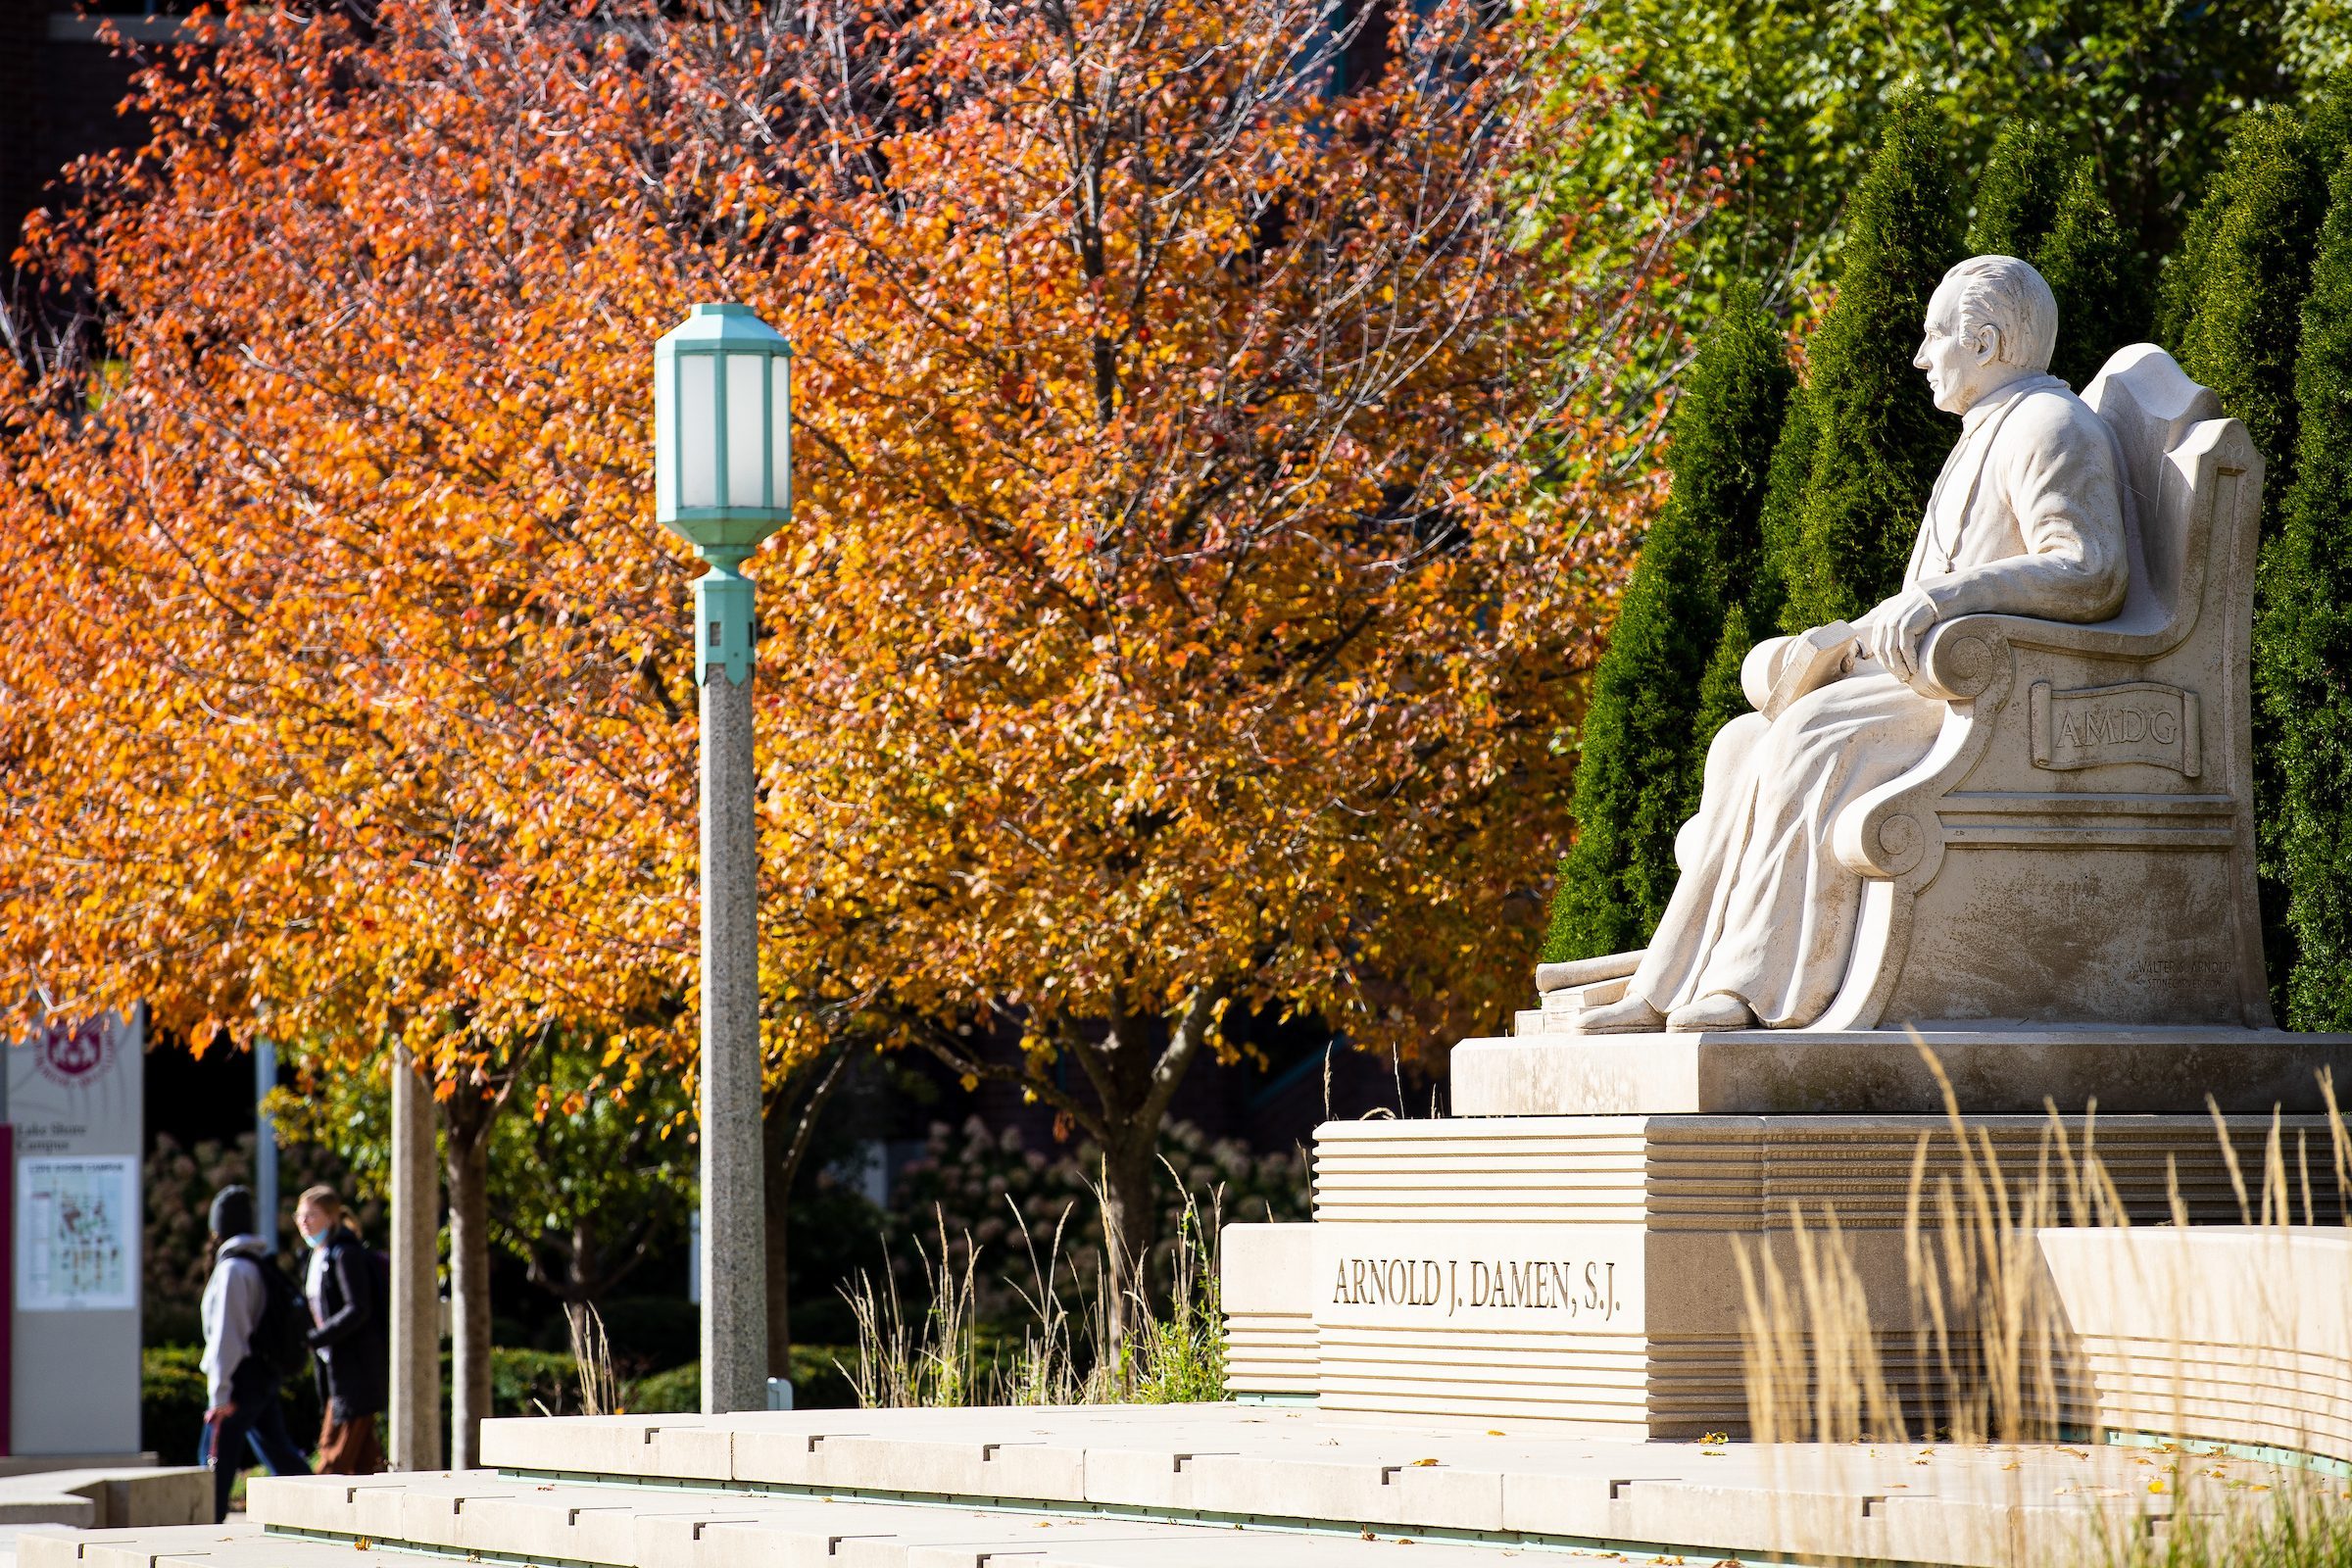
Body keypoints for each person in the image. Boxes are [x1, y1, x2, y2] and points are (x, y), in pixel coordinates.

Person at [1582, 254, 2128, 1032]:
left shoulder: (2049, 424)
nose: (1918, 356)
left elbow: (2090, 570)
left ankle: (1753, 988)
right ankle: (1670, 982)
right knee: (1741, 743)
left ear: (1984, 340)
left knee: (1809, 735)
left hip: (2002, 697)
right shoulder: (1987, 431)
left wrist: (1948, 596)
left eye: (1933, 336)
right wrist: (1842, 645)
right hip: (1942, 681)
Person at [199, 1185, 311, 1521]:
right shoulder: (257, 1264)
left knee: (213, 1465)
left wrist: (219, 1395)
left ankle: (205, 1531)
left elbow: (227, 1336)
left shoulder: (232, 1270)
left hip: (238, 1380)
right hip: (261, 1376)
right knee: (280, 1453)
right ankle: (320, 1506)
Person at [297, 1185, 390, 1474]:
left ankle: (308, 1516)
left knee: (332, 1456)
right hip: (336, 1370)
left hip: (356, 1372)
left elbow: (358, 1308)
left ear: (331, 1217)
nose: (304, 1222)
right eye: (299, 1216)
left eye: (311, 1215)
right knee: (365, 1463)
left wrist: (316, 1338)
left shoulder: (345, 1254)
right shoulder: (316, 1257)